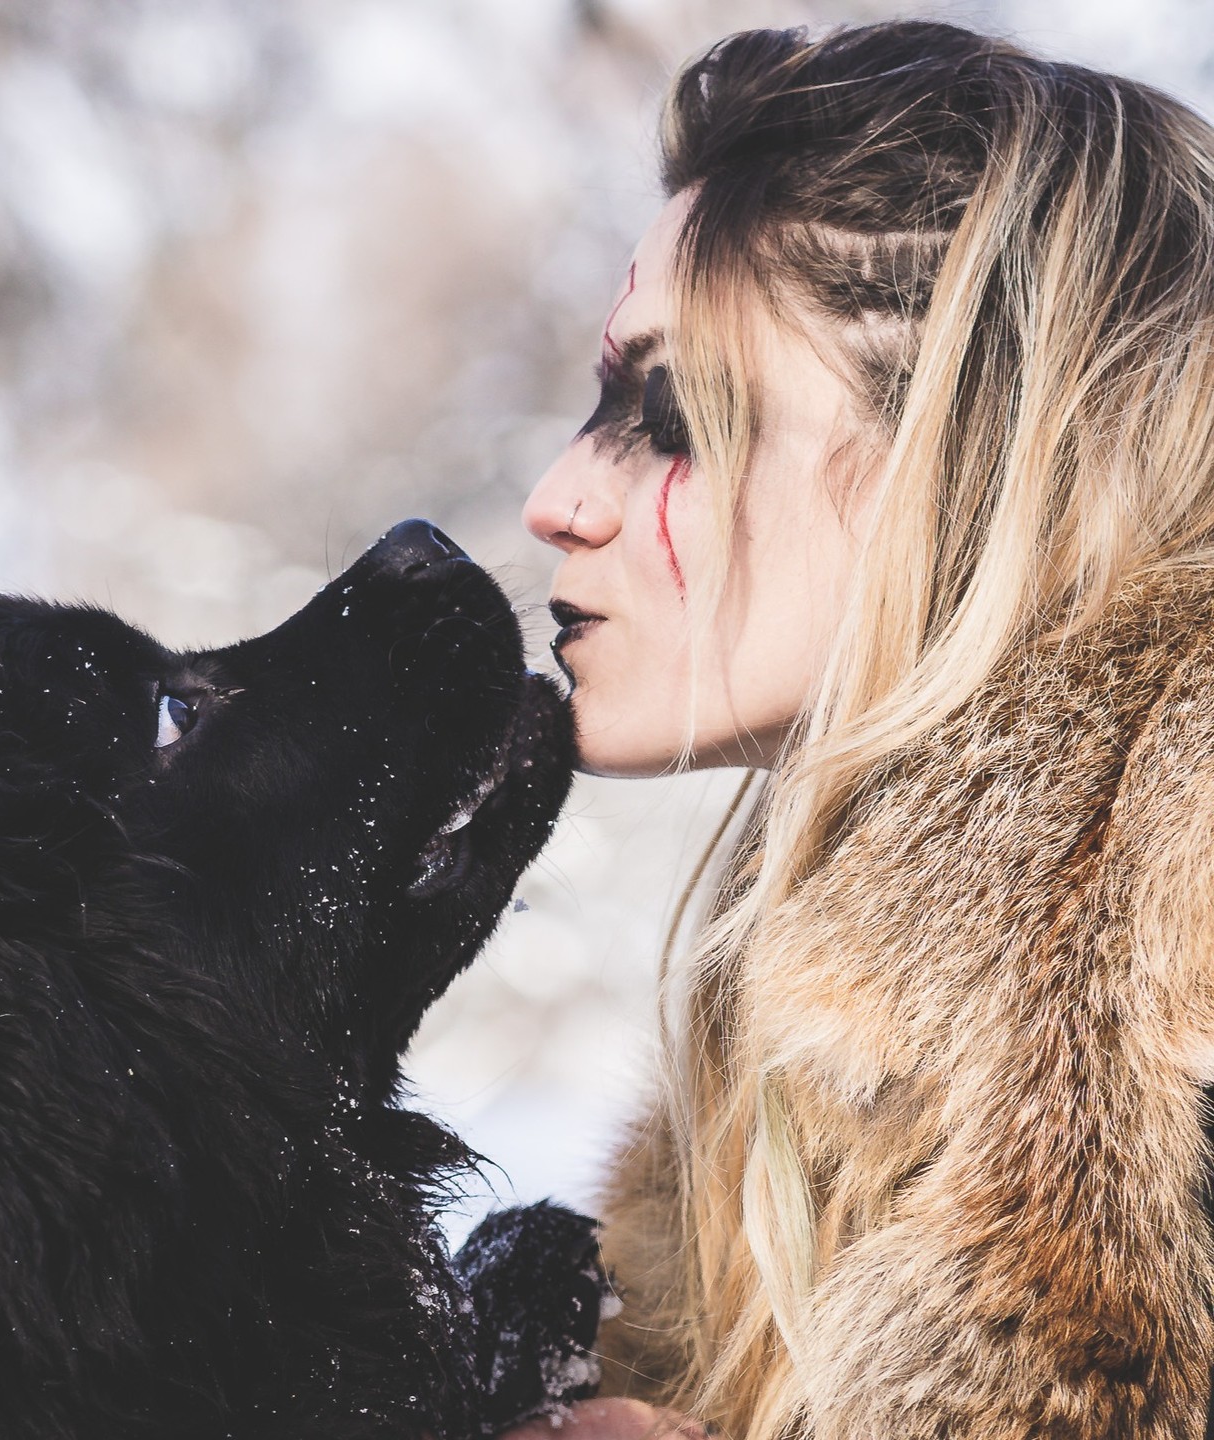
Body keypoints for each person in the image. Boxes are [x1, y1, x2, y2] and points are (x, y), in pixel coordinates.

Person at [514, 20, 1214, 1440]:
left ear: (972, 439)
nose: (556, 496)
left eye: (671, 410)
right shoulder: (777, 1049)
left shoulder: (1177, 960)